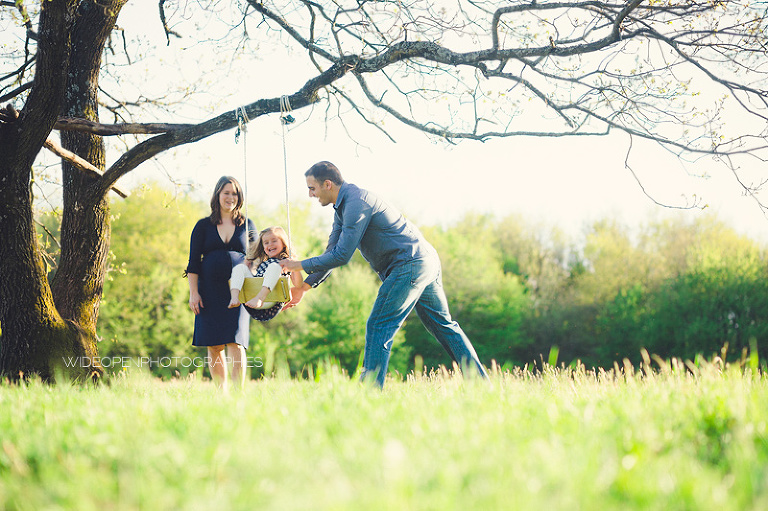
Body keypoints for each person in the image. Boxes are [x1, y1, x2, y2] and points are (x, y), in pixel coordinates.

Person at [280, 161, 488, 388]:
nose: (310, 194)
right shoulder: (343, 208)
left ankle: (370, 390)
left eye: (312, 188)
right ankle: (481, 384)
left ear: (327, 184)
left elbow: (342, 255)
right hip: (424, 261)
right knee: (442, 325)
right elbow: (332, 252)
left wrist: (296, 264)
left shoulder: (356, 202)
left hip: (409, 264)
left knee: (379, 324)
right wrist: (304, 287)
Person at [186, 176, 255, 390]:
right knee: (214, 343)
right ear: (217, 194)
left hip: (239, 289)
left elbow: (254, 256)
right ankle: (220, 394)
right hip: (208, 291)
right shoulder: (203, 226)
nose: (231, 197)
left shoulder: (247, 224)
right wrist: (194, 293)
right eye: (226, 192)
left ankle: (237, 394)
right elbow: (193, 262)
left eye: (235, 193)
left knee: (237, 340)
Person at [228, 226, 303, 322]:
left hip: (270, 302)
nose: (270, 244)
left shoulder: (286, 263)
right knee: (240, 268)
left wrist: (295, 266)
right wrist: (247, 263)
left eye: (274, 241)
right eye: (266, 243)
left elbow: (298, 284)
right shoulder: (263, 262)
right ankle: (235, 298)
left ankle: (260, 298)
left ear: (283, 243)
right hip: (251, 300)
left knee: (275, 266)